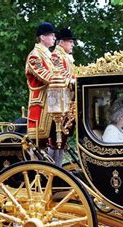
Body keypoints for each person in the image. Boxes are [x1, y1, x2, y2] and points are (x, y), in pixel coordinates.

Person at [26, 22, 72, 148]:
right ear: (42, 37)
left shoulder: (49, 55)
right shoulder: (34, 56)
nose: (54, 38)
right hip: (41, 105)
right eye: (51, 35)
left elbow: (61, 73)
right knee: (41, 142)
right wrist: (67, 82)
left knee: (59, 138)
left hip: (53, 102)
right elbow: (46, 76)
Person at [47, 27, 77, 166]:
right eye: (70, 42)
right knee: (56, 138)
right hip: (59, 101)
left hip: (68, 101)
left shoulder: (66, 57)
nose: (72, 44)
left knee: (62, 139)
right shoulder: (55, 56)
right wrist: (73, 81)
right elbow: (59, 73)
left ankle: (58, 167)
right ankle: (54, 167)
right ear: (61, 42)